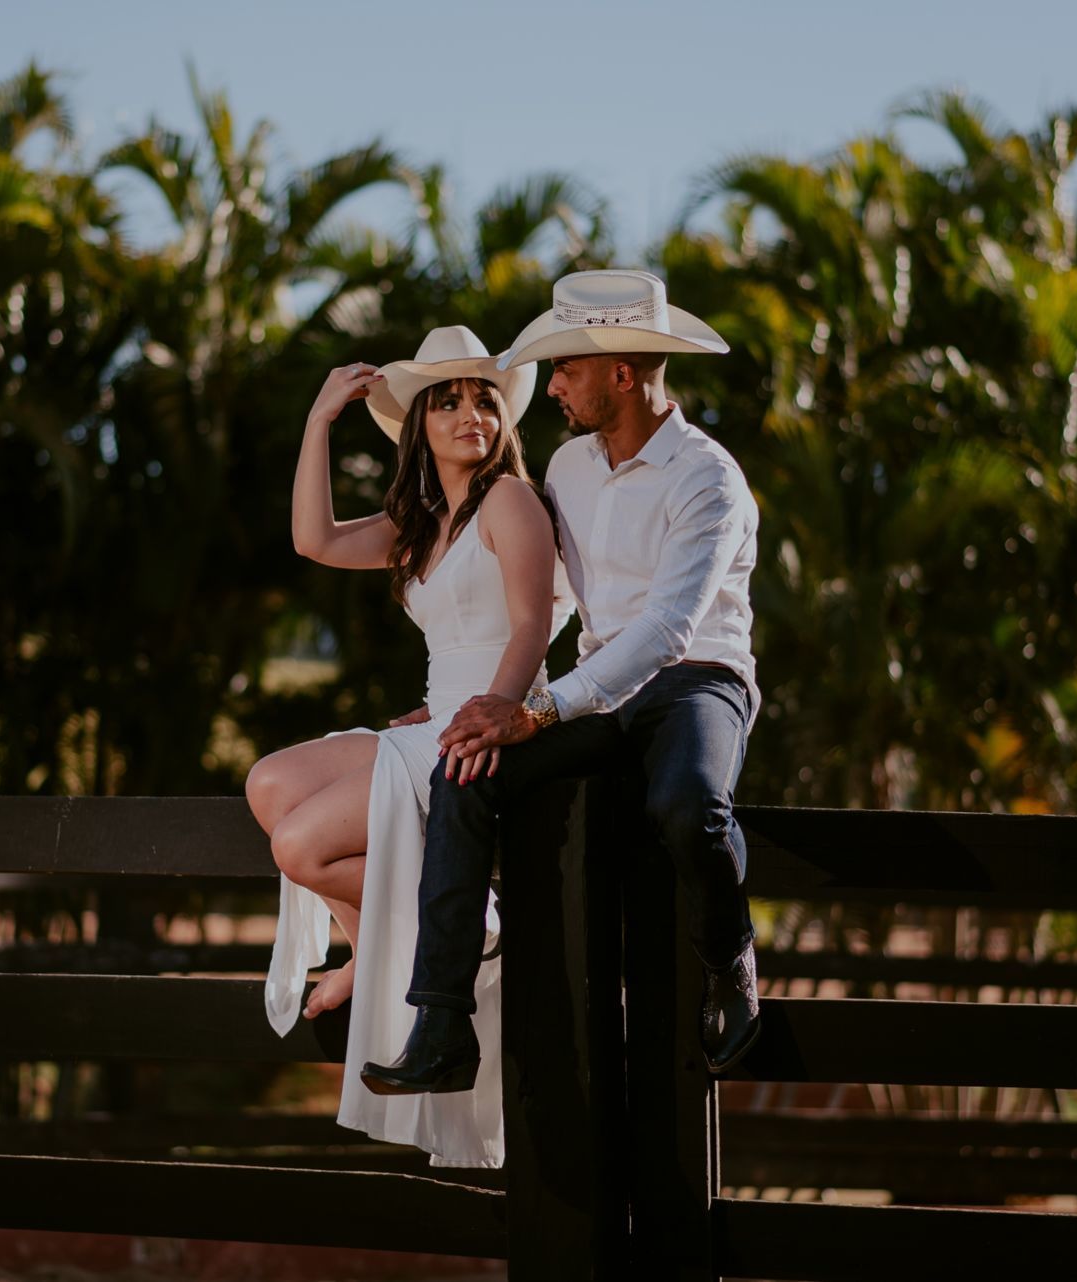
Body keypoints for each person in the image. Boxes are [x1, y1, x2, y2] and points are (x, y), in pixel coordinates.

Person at [360, 270, 764, 1097]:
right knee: (463, 772)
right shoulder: (567, 469)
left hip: (696, 683)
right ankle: (441, 1024)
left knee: (688, 807)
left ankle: (729, 958)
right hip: (599, 690)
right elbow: (525, 589)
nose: (551, 389)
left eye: (566, 371)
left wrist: (537, 708)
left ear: (621, 372)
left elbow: (667, 632)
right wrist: (465, 706)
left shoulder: (709, 478)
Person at [247, 326, 570, 1168]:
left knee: (298, 844)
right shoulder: (424, 523)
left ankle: (463, 926)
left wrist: (493, 709)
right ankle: (368, 944)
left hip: (490, 724)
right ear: (419, 424)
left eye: (485, 400)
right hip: (433, 720)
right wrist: (320, 419)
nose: (472, 415)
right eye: (450, 401)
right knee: (270, 783)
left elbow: (532, 624)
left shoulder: (510, 501)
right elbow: (312, 540)